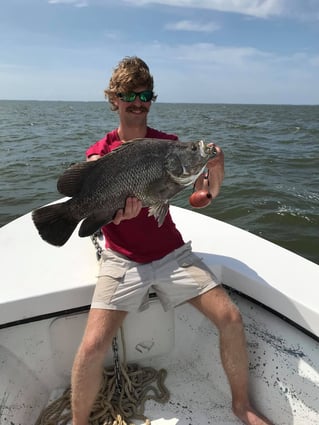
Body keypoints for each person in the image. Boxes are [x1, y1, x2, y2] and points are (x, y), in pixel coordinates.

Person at [71, 56, 272, 425]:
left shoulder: (170, 146)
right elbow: (96, 195)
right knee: (92, 345)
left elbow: (199, 197)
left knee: (230, 317)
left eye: (145, 93)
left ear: (151, 99)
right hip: (121, 259)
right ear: (114, 98)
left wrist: (215, 170)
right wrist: (112, 213)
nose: (138, 100)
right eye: (129, 93)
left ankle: (241, 405)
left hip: (170, 254)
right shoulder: (100, 151)